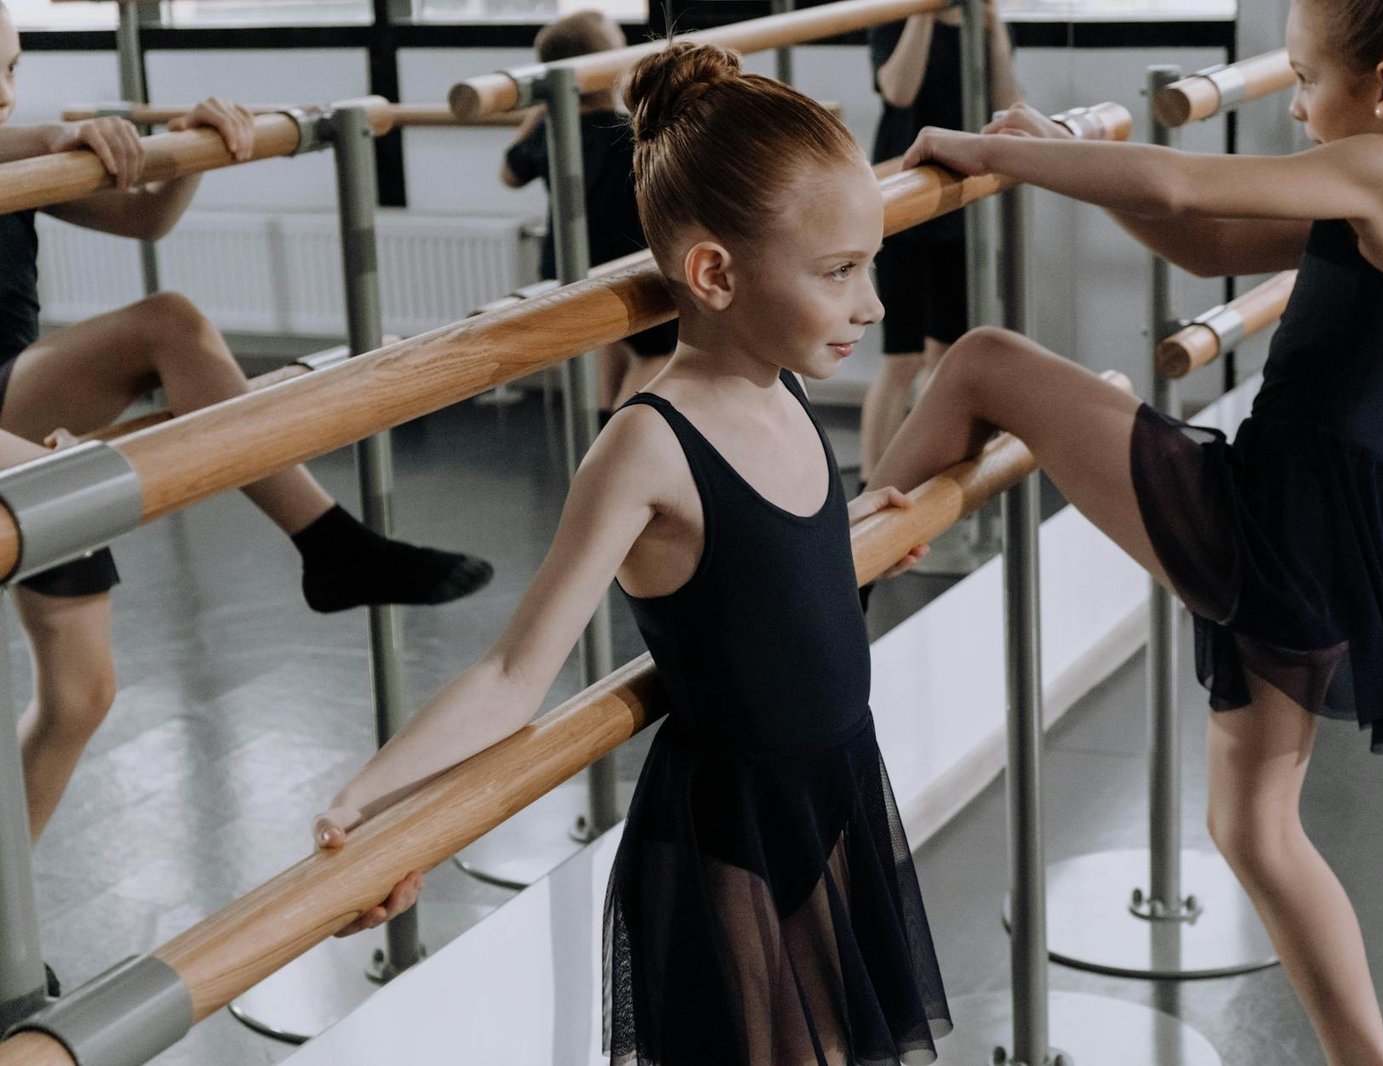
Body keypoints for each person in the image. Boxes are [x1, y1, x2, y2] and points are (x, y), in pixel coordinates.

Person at [875, 0, 1383, 1061]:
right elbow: (1203, 237)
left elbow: (1178, 184)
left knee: (981, 359)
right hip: (1323, 542)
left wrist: (989, 152)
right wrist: (1063, 145)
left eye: (1304, 82)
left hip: (1262, 516)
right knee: (1255, 829)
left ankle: (836, 563)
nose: (1297, 106)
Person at [316, 42, 948, 1066]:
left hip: (835, 789)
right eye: (839, 272)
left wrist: (861, 531)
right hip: (729, 837)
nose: (870, 303)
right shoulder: (648, 444)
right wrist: (369, 805)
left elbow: (781, 572)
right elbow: (513, 672)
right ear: (713, 272)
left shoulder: (783, 387)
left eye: (866, 266)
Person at [0, 2, 493, 842]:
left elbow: (145, 216)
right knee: (73, 554)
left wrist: (190, 150)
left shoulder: (26, 154)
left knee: (83, 696)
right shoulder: (25, 143)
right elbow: (28, 141)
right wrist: (49, 135)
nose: (4, 94)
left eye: (11, 69)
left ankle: (329, 546)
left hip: (14, 394)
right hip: (19, 440)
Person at [859, 0, 1019, 481]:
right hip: (904, 205)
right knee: (901, 359)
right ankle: (871, 482)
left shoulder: (983, 21)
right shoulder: (895, 17)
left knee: (946, 358)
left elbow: (1007, 104)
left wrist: (992, 31)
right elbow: (898, 90)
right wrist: (923, 13)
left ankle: (916, 478)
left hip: (960, 208)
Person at [500, 9, 677, 414]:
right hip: (623, 260)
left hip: (568, 262)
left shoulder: (550, 130)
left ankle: (600, 431)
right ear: (599, 68)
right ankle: (623, 430)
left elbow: (509, 174)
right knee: (659, 350)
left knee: (607, 343)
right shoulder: (627, 133)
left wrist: (540, 112)